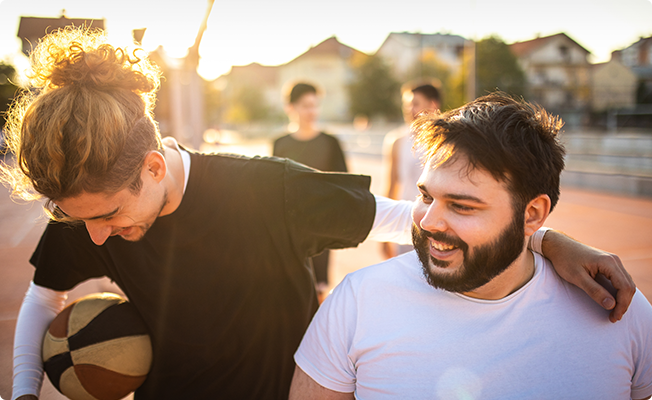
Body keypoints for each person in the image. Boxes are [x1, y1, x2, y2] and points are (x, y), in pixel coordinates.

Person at [2, 28, 635, 400]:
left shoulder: (269, 190)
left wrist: (548, 241)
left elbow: (412, 219)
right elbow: (44, 297)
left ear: (154, 167)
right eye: (76, 218)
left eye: (109, 215)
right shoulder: (85, 208)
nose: (95, 236)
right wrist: (25, 391)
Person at [290, 93, 652, 400]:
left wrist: (545, 239)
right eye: (425, 196)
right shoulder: (356, 303)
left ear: (533, 214)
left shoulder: (619, 307)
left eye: (462, 205)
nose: (428, 222)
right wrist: (544, 239)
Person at [273, 83, 348, 301]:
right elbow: (275, 187)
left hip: (320, 227)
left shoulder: (330, 143)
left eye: (315, 106)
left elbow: (344, 185)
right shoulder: (280, 144)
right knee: (291, 288)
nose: (311, 112)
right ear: (290, 108)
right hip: (290, 228)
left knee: (319, 289)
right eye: (306, 106)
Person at [381, 83, 441, 259]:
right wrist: (385, 233)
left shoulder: (447, 140)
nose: (409, 109)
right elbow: (391, 186)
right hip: (407, 223)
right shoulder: (397, 141)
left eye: (415, 103)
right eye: (406, 104)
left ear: (433, 104)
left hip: (438, 224)